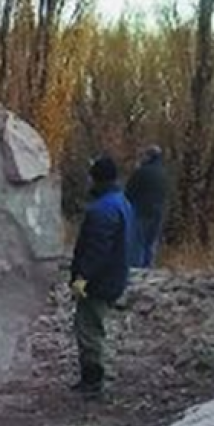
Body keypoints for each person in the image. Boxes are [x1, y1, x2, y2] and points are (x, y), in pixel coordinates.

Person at [68, 155, 138, 397]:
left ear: (96, 179)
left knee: (89, 330)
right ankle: (94, 380)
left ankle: (93, 383)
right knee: (95, 327)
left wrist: (81, 278)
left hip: (99, 281)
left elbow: (96, 251)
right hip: (115, 276)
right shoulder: (122, 202)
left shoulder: (101, 210)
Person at [126, 145, 168, 268]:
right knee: (151, 242)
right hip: (159, 211)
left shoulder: (141, 172)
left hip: (141, 210)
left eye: (144, 155)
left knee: (137, 241)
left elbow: (129, 192)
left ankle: (136, 269)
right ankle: (149, 267)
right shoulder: (163, 173)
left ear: (149, 156)